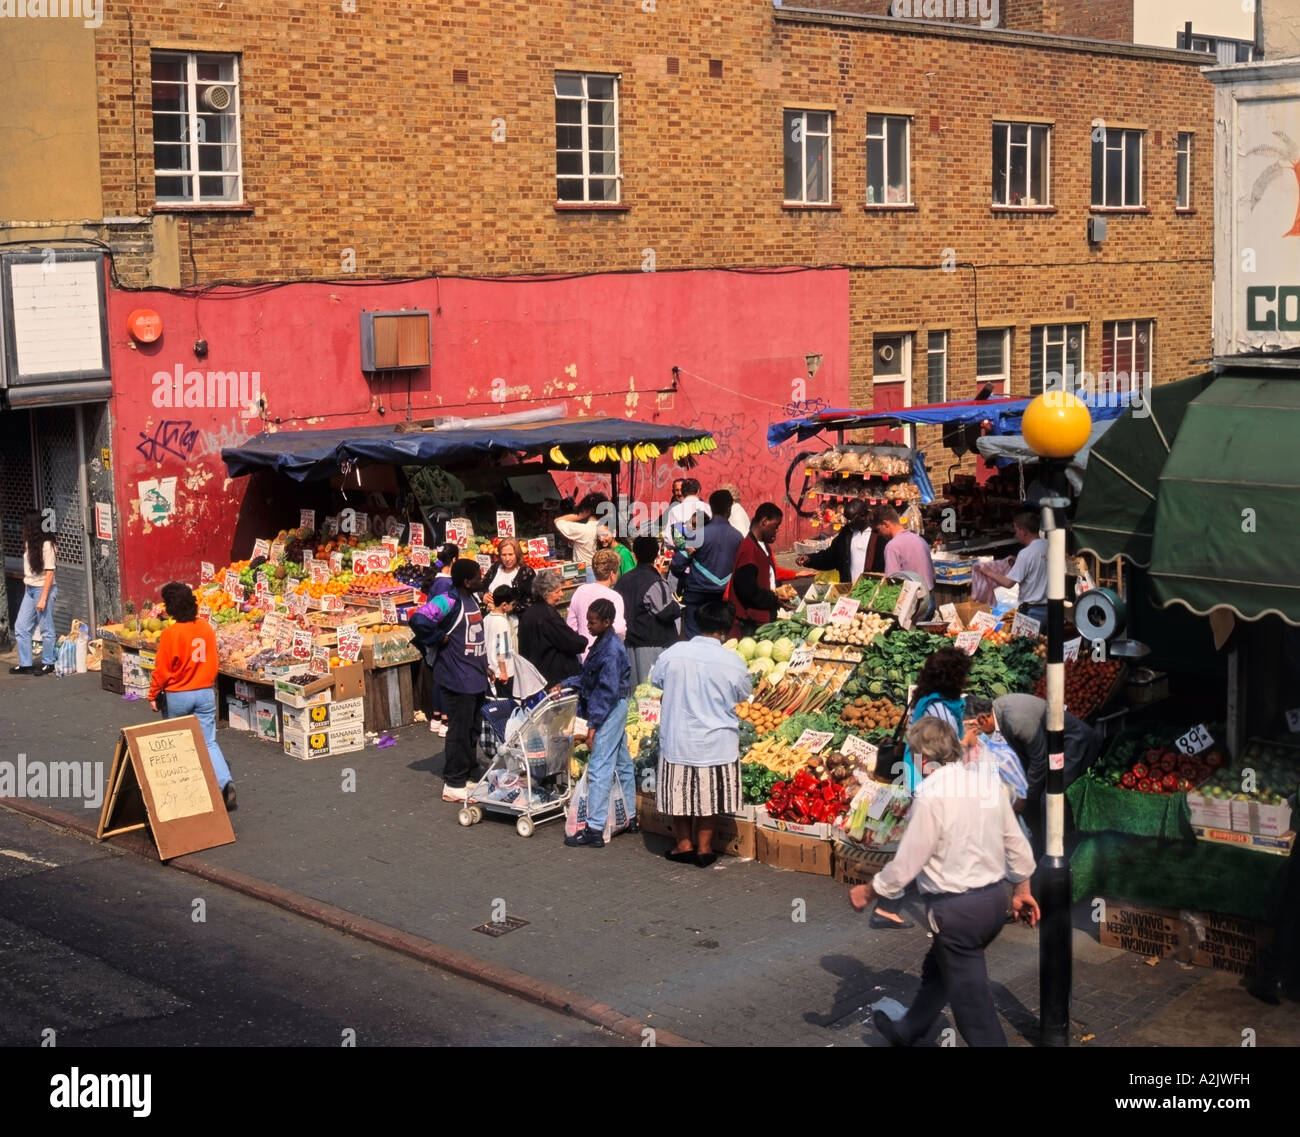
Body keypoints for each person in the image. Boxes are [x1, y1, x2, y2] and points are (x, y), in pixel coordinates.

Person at [850, 715, 1039, 1048]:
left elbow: (908, 861)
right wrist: (1022, 889)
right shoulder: (985, 785)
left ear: (922, 757)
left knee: (974, 1012)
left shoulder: (930, 795)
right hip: (993, 903)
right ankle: (908, 1029)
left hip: (958, 913)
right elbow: (1016, 843)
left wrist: (870, 890)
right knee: (939, 969)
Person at [651, 599, 753, 867]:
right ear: (726, 630)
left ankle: (684, 844)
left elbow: (656, 680)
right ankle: (705, 848)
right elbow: (743, 693)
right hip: (716, 740)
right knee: (711, 796)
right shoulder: (733, 661)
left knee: (679, 794)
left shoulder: (674, 653)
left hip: (679, 738)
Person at [971, 692, 1102, 855]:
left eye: (974, 727)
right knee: (1033, 795)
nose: (975, 733)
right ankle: (1040, 846)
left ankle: (1054, 855)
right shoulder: (999, 708)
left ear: (983, 718)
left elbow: (1038, 761)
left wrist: (1024, 797)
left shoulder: (1016, 721)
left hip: (1072, 743)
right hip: (1051, 747)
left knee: (1048, 798)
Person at [147, 582, 235, 810]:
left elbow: (162, 670)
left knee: (177, 743)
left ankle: (184, 793)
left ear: (172, 607)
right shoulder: (205, 628)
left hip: (178, 695)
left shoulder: (170, 634)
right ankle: (225, 782)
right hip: (205, 693)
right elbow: (213, 662)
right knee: (208, 742)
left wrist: (153, 694)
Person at [557, 598, 635, 849]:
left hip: (610, 709)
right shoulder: (603, 643)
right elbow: (590, 678)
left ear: (607, 622)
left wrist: (594, 724)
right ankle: (630, 816)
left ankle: (594, 828)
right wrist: (567, 683)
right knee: (622, 762)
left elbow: (606, 690)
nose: (588, 626)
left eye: (592, 622)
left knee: (600, 765)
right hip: (613, 707)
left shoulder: (611, 649)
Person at [430, 560, 489, 803]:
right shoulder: (448, 600)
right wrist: (437, 637)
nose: (482, 579)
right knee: (459, 730)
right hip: (457, 678)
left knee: (473, 728)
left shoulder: (472, 599)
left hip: (476, 676)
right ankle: (453, 781)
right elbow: (419, 620)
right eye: (478, 576)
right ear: (467, 581)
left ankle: (470, 772)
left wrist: (487, 667)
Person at [672, 489, 744, 639]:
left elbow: (677, 564)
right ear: (730, 509)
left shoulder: (698, 535)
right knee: (720, 637)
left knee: (694, 638)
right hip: (723, 597)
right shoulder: (738, 538)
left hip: (696, 595)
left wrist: (684, 574)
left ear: (710, 507)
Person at [901, 646, 973, 792]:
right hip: (930, 779)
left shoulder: (924, 696)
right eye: (963, 675)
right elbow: (948, 753)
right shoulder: (939, 708)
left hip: (915, 769)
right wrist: (969, 739)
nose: (967, 679)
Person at [615, 536, 682, 687]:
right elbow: (665, 612)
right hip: (650, 645)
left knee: (634, 692)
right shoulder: (654, 582)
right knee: (651, 692)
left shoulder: (623, 580)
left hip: (629, 644)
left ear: (635, 555)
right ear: (656, 554)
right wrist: (677, 607)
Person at [730, 502, 795, 638]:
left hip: (762, 618)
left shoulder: (762, 545)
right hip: (750, 623)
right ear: (764, 522)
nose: (777, 531)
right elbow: (748, 591)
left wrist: (778, 593)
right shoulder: (748, 550)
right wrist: (775, 597)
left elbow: (767, 577)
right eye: (776, 526)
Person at [973, 511, 1048, 625]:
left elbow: (1008, 583)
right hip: (1051, 608)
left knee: (1025, 642)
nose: (1015, 534)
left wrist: (988, 572)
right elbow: (1038, 568)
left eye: (1016, 529)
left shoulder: (1026, 553)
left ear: (1024, 532)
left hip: (1032, 612)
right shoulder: (1050, 546)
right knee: (1048, 642)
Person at [518, 569, 589, 687]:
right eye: (557, 591)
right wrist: (583, 640)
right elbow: (569, 641)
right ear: (546, 593)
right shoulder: (547, 615)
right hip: (553, 679)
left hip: (535, 677)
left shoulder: (529, 613)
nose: (561, 594)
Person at [11, 510, 56, 676]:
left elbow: (50, 573)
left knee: (46, 628)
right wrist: (26, 586)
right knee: (21, 626)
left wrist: (43, 598)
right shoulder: (30, 543)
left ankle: (48, 662)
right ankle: (25, 664)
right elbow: (29, 569)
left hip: (43, 588)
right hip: (30, 588)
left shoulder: (47, 545)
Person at [795, 498, 883, 582]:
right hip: (849, 589)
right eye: (846, 519)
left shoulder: (879, 534)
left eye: (851, 520)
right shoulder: (846, 533)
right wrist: (810, 559)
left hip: (875, 589)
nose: (847, 523)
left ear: (863, 515)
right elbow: (831, 555)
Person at [566, 548, 626, 653]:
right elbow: (619, 629)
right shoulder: (614, 597)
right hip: (605, 654)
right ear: (612, 574)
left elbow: (571, 625)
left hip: (583, 653)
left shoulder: (580, 591)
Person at [876, 506, 936, 591]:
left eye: (878, 530)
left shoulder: (892, 546)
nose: (879, 534)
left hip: (911, 599)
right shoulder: (920, 540)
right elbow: (932, 574)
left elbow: (892, 582)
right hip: (929, 595)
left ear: (886, 524)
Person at [555, 493, 608, 579]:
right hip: (604, 571)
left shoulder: (582, 529)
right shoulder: (607, 528)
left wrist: (580, 516)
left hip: (587, 572)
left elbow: (558, 521)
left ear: (586, 510)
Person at [480, 536, 535, 616]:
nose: (507, 558)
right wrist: (484, 595)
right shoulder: (496, 568)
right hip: (492, 617)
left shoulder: (525, 572)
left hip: (514, 620)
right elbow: (481, 586)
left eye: (510, 554)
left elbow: (531, 600)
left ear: (517, 554)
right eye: (504, 555)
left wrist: (512, 607)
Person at [483, 585, 518, 697]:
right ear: (504, 605)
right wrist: (503, 671)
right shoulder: (502, 622)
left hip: (491, 669)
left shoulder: (487, 618)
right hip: (502, 671)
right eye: (512, 604)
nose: (513, 607)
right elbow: (501, 648)